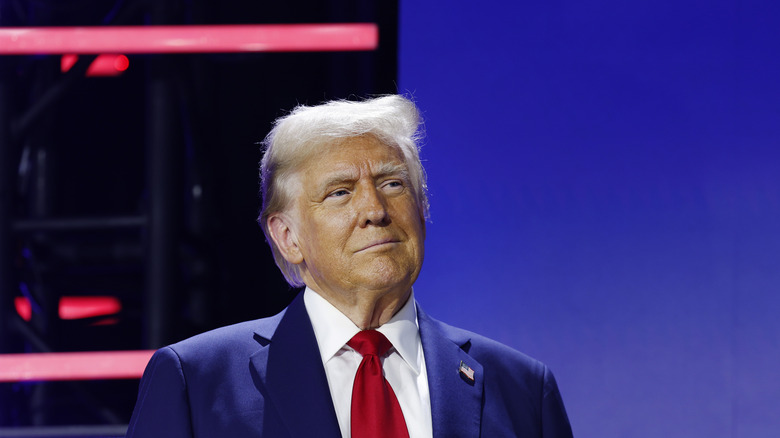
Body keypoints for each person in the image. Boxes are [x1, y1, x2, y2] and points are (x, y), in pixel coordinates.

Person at [125, 95, 573, 437]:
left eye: (393, 183)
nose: (375, 209)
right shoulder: (196, 383)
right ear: (288, 236)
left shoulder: (522, 390)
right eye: (340, 192)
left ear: (423, 208)